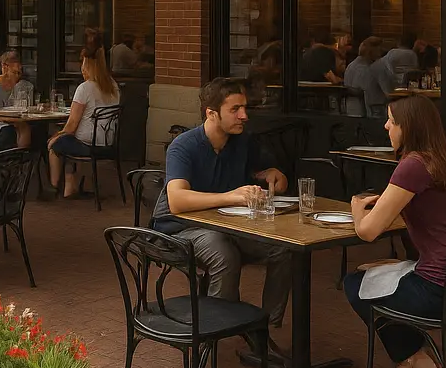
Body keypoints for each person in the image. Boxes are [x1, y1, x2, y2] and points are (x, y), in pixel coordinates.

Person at [343, 96, 446, 368]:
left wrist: (357, 210)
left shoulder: (413, 165)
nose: (386, 126)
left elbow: (368, 232)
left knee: (355, 285)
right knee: (374, 273)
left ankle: (418, 361)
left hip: (438, 290)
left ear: (409, 127)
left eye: (392, 121)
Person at [152, 78, 293, 335]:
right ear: (211, 114)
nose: (244, 115)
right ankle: (215, 332)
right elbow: (177, 201)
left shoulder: (242, 142)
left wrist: (273, 174)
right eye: (235, 109)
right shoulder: (184, 145)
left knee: (284, 249)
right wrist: (231, 197)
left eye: (245, 108)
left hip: (227, 226)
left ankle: (265, 330)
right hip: (179, 229)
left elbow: (261, 172)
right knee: (224, 253)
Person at [47, 48, 121, 197]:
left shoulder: (85, 88)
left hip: (88, 145)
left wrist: (56, 136)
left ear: (88, 66)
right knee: (67, 140)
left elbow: (71, 125)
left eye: (83, 64)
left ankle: (53, 188)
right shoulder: (114, 86)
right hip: (107, 143)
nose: (81, 69)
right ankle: (71, 187)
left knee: (55, 144)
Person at [344, 36, 387, 115]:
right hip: (368, 112)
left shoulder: (350, 66)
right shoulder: (369, 69)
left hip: (349, 109)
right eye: (380, 50)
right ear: (373, 51)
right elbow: (379, 92)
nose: (381, 54)